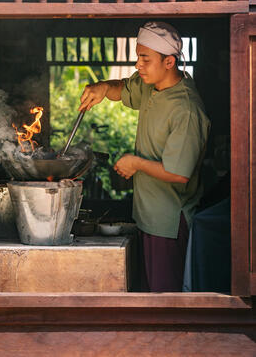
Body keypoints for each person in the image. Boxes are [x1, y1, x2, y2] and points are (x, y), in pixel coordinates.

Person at [79, 21, 210, 292]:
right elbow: (122, 89)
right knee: (146, 296)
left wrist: (135, 163)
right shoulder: (152, 84)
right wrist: (102, 87)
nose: (138, 65)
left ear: (169, 62)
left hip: (168, 222)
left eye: (145, 59)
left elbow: (179, 173)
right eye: (138, 57)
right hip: (146, 215)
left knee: (165, 303)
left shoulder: (185, 109)